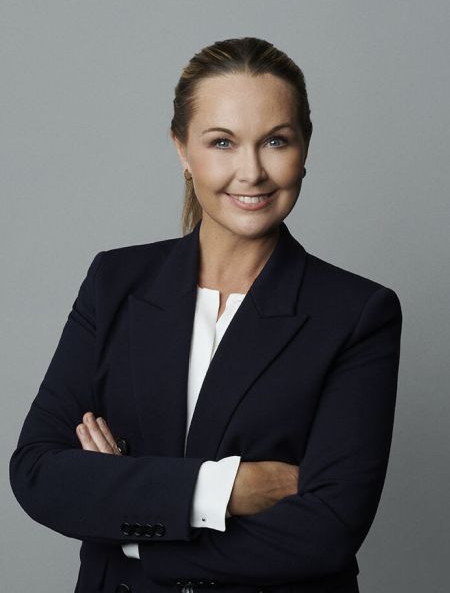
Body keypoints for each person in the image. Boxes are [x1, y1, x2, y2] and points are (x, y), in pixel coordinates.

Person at [9, 36, 403, 593]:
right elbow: (38, 472)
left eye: (276, 141)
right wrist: (224, 490)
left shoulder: (358, 312)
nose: (251, 171)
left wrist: (127, 513)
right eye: (222, 142)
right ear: (181, 149)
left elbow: (327, 530)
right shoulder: (114, 282)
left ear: (304, 148)